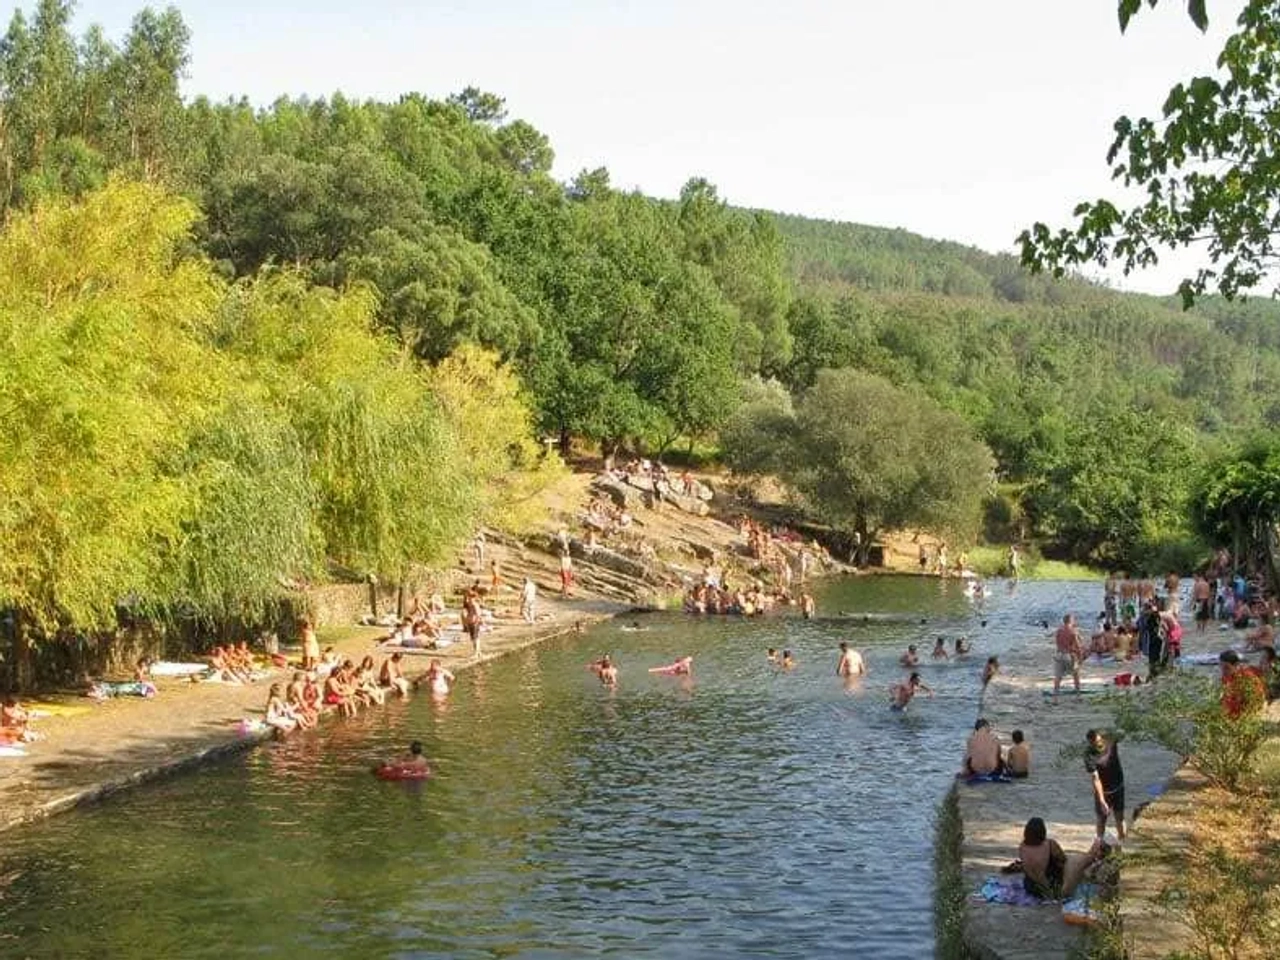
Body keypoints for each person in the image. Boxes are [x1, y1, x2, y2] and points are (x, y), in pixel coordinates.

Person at [1018, 817, 1097, 901]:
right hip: (1050, 886)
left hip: (1030, 887)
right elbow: (1062, 858)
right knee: (1072, 862)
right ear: (1043, 831)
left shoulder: (1022, 846)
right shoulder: (1049, 844)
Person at [1085, 729, 1126, 840]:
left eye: (1099, 742)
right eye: (1094, 744)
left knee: (1119, 818)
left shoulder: (1110, 740)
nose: (1098, 745)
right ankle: (1100, 843)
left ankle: (1122, 840)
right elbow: (1096, 779)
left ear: (1102, 738)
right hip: (1103, 792)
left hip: (1118, 787)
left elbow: (1122, 732)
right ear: (1090, 743)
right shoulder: (1089, 755)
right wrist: (1102, 801)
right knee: (1101, 819)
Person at [1218, 650, 1266, 719]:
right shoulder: (1227, 676)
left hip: (1243, 716)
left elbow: (1257, 699)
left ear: (1236, 665)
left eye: (1226, 667)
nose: (1223, 671)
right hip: (1230, 712)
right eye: (1221, 666)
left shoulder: (1247, 677)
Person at [1053, 614, 1084, 700]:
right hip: (1069, 655)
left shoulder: (1059, 631)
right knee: (1076, 675)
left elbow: (1058, 644)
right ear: (1071, 621)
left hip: (1059, 655)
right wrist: (1080, 658)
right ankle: (1078, 696)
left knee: (1058, 677)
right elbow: (1078, 646)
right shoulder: (1073, 632)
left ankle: (1055, 698)